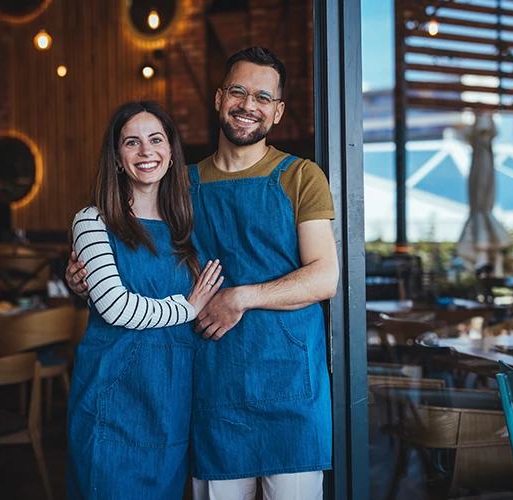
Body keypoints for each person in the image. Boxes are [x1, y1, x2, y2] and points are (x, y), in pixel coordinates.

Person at [66, 46, 338, 500]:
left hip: (290, 387)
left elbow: (325, 277)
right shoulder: (180, 188)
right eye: (238, 91)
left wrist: (241, 297)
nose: (248, 105)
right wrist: (79, 276)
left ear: (278, 110)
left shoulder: (302, 177)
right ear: (218, 99)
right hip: (213, 389)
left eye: (263, 97)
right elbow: (134, 252)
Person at [66, 100, 224, 500]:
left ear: (171, 153)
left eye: (156, 140)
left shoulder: (186, 228)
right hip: (113, 405)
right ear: (118, 158)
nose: (145, 151)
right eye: (131, 143)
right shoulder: (93, 220)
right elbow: (115, 307)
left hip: (170, 405)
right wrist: (187, 307)